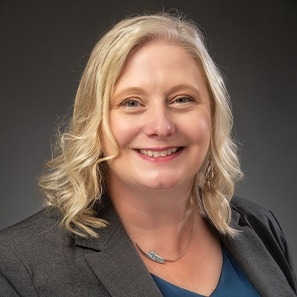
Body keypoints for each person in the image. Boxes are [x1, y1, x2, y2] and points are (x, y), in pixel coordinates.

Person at [0, 12, 296, 297]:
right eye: (131, 103)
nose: (161, 126)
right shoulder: (18, 264)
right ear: (95, 123)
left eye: (182, 99)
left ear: (213, 115)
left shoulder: (259, 227)